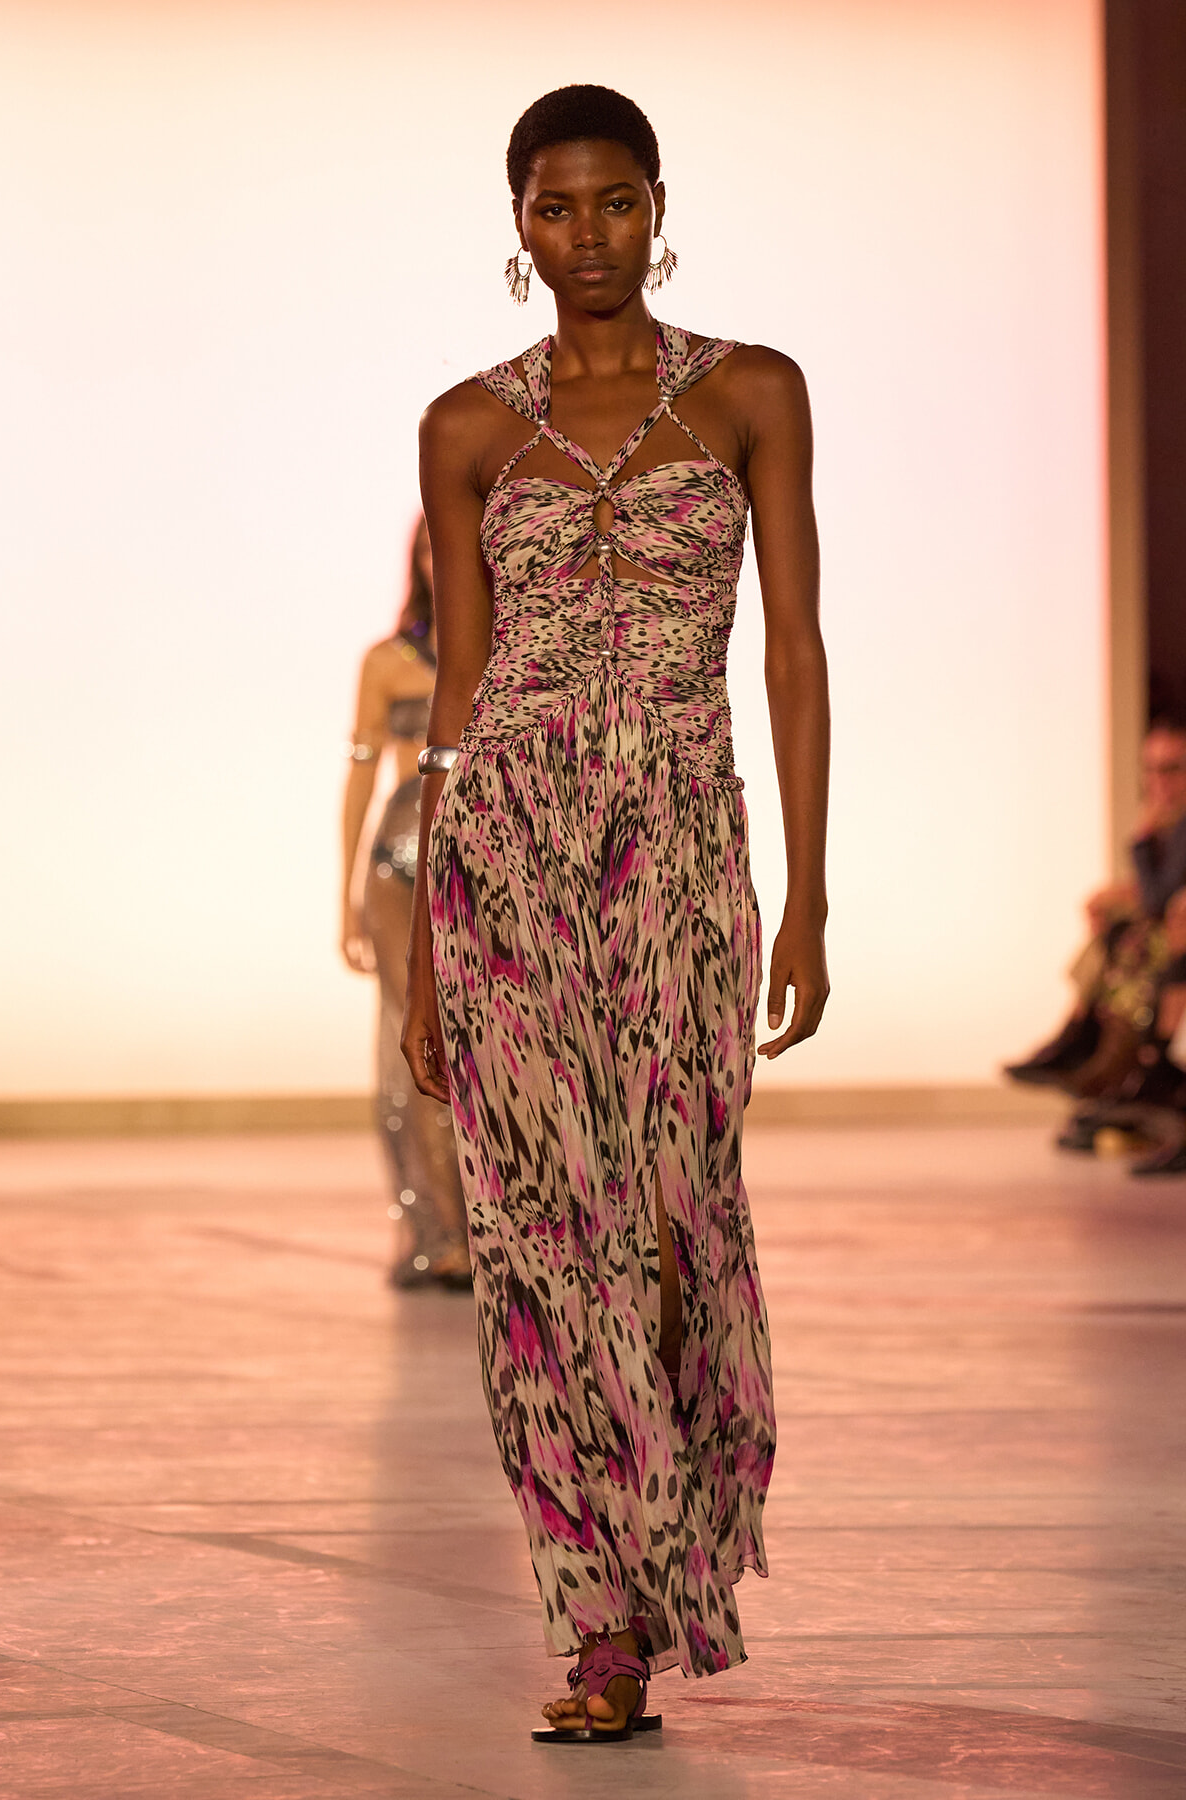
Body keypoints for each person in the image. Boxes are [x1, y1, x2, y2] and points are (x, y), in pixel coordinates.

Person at [402, 85, 830, 1742]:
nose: (587, 236)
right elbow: (457, 692)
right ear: (518, 225)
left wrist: (804, 887)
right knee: (540, 1243)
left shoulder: (752, 392)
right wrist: (435, 946)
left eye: (615, 205)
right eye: (554, 210)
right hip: (504, 851)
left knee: (671, 1213)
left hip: (682, 844)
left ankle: (676, 1542)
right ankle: (603, 1632)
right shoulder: (462, 429)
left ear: (660, 207)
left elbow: (791, 647)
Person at [340, 516, 471, 1289]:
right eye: (429, 544)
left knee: (476, 1039)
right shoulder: (387, 663)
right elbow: (362, 775)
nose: (442, 554)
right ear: (416, 559)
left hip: (480, 864)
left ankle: (488, 1226)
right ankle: (436, 1231)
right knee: (410, 1036)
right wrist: (345, 893)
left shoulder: (508, 649)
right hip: (396, 866)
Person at [1007, 719, 1186, 1109]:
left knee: (1131, 946)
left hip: (1174, 942)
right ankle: (1084, 1038)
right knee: (1116, 934)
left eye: (1171, 769)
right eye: (1151, 769)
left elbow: (1160, 897)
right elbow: (1157, 892)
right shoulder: (1171, 827)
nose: (1158, 781)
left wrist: (1141, 840)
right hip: (1165, 936)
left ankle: (1115, 1058)